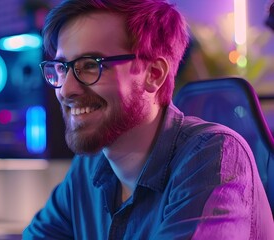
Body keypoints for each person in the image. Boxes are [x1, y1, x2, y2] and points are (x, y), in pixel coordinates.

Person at [23, 0, 274, 239]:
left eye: (90, 65)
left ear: (154, 74)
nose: (66, 90)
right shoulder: (88, 167)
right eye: (61, 68)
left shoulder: (214, 156)